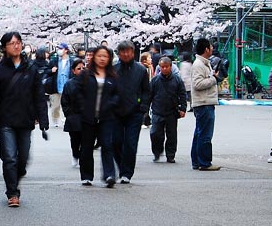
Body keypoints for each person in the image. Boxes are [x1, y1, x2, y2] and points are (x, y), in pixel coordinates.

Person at [0, 31, 50, 207]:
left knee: (23, 158)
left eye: (18, 42)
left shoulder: (30, 69)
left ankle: (14, 182)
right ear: (4, 48)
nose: (16, 45)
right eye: (12, 43)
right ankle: (12, 192)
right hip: (5, 121)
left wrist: (43, 119)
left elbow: (39, 95)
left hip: (25, 120)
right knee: (10, 157)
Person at [69, 45, 119, 187]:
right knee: (87, 146)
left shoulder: (112, 76)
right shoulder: (86, 74)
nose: (102, 59)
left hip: (106, 116)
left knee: (107, 144)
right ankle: (86, 176)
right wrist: (83, 106)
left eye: (105, 56)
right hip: (88, 116)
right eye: (99, 56)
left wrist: (111, 104)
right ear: (94, 57)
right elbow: (76, 91)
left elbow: (117, 94)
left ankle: (109, 174)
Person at [113, 40, 150, 184]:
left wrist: (143, 108)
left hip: (135, 113)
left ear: (133, 52)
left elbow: (146, 91)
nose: (126, 54)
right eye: (123, 51)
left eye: (129, 51)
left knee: (131, 143)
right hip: (116, 112)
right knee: (116, 141)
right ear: (119, 53)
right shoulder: (114, 70)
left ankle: (126, 172)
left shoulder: (141, 70)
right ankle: (121, 165)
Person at [148, 56, 187, 163]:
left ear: (170, 67)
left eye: (166, 67)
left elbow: (182, 94)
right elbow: (149, 96)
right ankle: (157, 151)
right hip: (157, 111)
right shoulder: (155, 80)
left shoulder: (177, 80)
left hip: (172, 112)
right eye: (162, 67)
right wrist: (145, 110)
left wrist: (183, 108)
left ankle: (170, 155)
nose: (164, 69)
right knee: (155, 133)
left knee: (172, 135)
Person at [190, 38, 221, 171]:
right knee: (205, 134)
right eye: (210, 47)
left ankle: (197, 161)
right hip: (204, 103)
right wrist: (214, 79)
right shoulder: (199, 65)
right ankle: (204, 162)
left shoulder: (203, 64)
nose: (212, 49)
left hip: (203, 102)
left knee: (199, 133)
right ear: (206, 49)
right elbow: (198, 84)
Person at [61, 58, 85, 168]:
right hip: (73, 116)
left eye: (83, 68)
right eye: (79, 68)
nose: (81, 70)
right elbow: (64, 101)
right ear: (73, 71)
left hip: (86, 116)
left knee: (86, 140)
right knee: (75, 139)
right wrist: (68, 114)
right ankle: (75, 155)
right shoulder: (69, 84)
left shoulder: (90, 82)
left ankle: (83, 158)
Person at [49, 43, 71, 128]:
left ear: (66, 50)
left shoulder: (71, 60)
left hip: (67, 85)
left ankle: (65, 120)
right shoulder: (54, 60)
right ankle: (55, 119)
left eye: (61, 49)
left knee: (67, 105)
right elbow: (47, 70)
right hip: (56, 85)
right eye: (59, 48)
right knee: (55, 105)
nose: (59, 50)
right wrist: (51, 70)